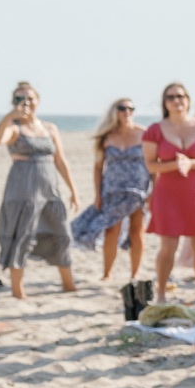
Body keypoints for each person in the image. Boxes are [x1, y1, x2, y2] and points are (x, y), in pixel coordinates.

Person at [0, 82, 78, 299]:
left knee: (61, 233)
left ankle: (69, 285)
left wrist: (73, 190)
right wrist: (10, 115)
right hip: (22, 189)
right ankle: (18, 291)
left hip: (49, 188)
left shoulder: (49, 128)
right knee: (21, 234)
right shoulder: (13, 127)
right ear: (13, 103)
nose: (26, 102)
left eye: (30, 98)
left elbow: (60, 160)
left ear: (38, 100)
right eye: (20, 98)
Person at [141, 82, 195, 303]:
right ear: (164, 103)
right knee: (168, 246)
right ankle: (161, 293)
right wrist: (175, 165)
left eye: (181, 96)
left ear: (188, 99)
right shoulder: (154, 130)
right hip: (168, 194)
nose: (177, 100)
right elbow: (151, 165)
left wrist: (191, 163)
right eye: (171, 97)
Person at [70, 98, 149, 283]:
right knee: (111, 230)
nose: (127, 111)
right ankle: (107, 273)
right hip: (112, 191)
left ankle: (135, 273)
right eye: (122, 108)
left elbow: (153, 163)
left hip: (138, 190)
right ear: (115, 111)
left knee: (137, 232)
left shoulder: (144, 133)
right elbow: (98, 167)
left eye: (131, 108)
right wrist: (97, 194)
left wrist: (153, 191)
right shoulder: (106, 137)